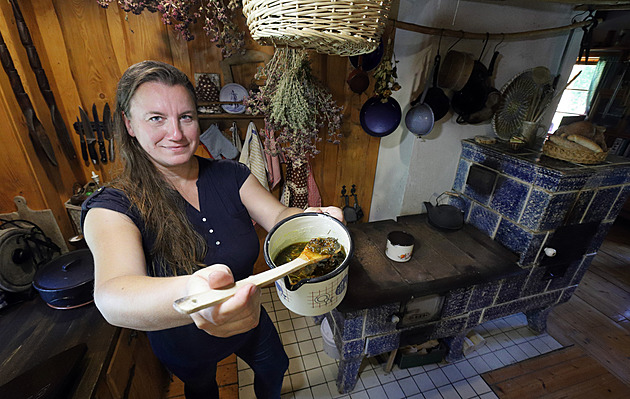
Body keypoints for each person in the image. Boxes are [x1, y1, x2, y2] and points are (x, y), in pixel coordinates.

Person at [81, 60, 344, 399]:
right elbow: (113, 295)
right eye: (156, 118)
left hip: (247, 319)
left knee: (275, 366)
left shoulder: (231, 175)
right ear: (130, 124)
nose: (176, 133)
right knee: (203, 390)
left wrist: (312, 217)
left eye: (185, 117)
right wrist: (198, 294)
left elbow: (278, 215)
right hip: (183, 341)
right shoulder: (115, 205)